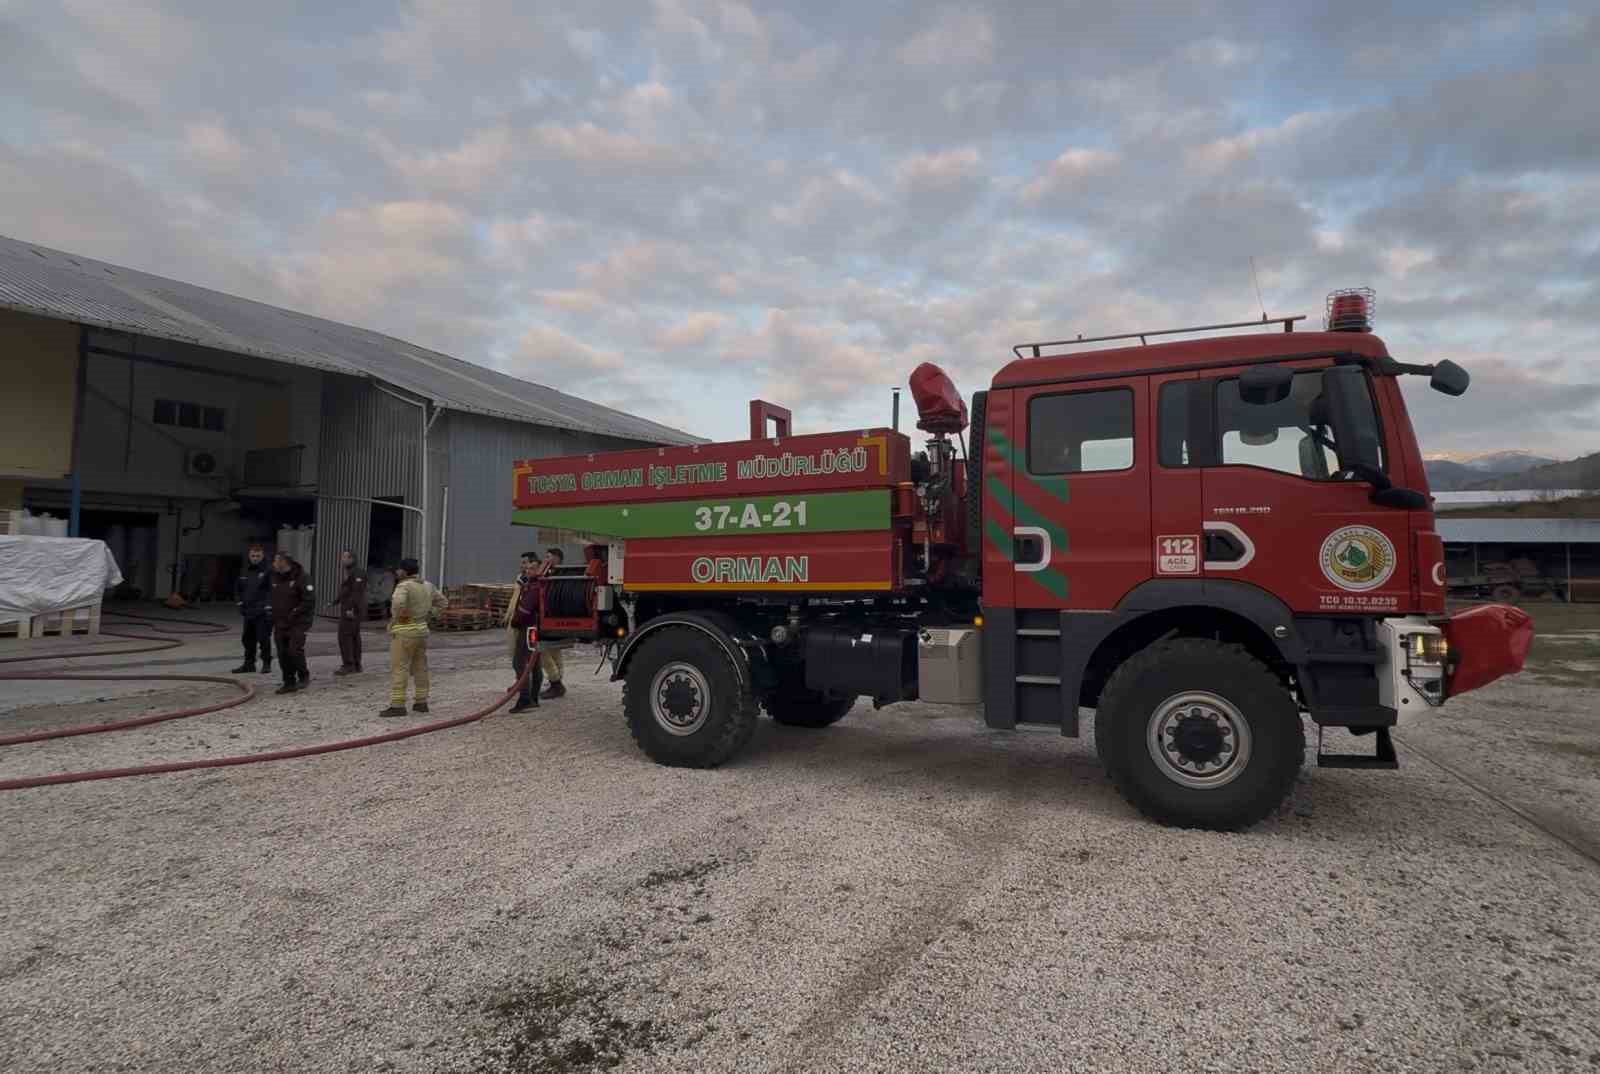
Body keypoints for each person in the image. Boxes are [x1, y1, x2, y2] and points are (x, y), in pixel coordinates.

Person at [381, 557, 446, 717]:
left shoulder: (403, 586)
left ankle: (397, 705)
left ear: (404, 571)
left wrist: (400, 618)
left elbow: (398, 605)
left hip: (404, 632)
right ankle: (421, 702)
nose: (396, 572)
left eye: (398, 569)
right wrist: (430, 614)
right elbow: (443, 602)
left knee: (400, 667)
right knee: (420, 667)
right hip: (422, 631)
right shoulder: (428, 585)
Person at [268, 551, 313, 694]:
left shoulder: (302, 577)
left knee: (294, 650)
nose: (273, 564)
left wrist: (294, 612)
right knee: (282, 653)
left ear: (283, 562)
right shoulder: (274, 577)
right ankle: (288, 682)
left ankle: (303, 676)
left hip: (298, 622)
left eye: (276, 561)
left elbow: (309, 600)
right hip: (280, 622)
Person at [505, 551, 545, 713]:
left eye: (532, 568)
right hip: (535, 627)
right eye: (527, 568)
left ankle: (525, 698)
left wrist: (514, 621)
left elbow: (524, 610)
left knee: (520, 663)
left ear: (539, 570)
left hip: (528, 627)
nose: (528, 570)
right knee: (534, 664)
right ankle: (533, 698)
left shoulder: (533, 587)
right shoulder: (537, 584)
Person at [233, 545, 273, 674]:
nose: (255, 558)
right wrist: (239, 603)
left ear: (262, 556)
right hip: (248, 611)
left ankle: (266, 663)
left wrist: (267, 606)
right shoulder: (244, 571)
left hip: (262, 612)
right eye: (253, 556)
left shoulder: (269, 571)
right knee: (247, 639)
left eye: (258, 556)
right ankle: (249, 664)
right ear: (249, 556)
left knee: (263, 638)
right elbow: (238, 589)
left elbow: (271, 591)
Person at [536, 547, 567, 700]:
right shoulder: (550, 574)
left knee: (544, 652)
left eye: (549, 557)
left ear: (557, 559)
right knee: (555, 652)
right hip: (553, 618)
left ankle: (556, 683)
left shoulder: (559, 575)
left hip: (552, 618)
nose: (546, 559)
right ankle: (557, 682)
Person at [333, 549, 367, 676]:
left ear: (352, 559)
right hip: (349, 608)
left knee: (345, 636)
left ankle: (349, 665)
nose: (342, 559)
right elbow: (347, 590)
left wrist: (350, 609)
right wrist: (335, 601)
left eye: (344, 557)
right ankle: (356, 664)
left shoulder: (358, 573)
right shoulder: (351, 572)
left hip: (352, 610)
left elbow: (356, 592)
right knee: (353, 636)